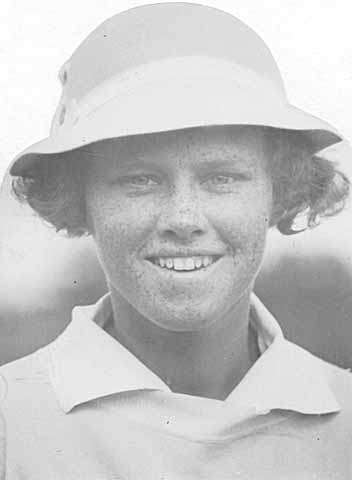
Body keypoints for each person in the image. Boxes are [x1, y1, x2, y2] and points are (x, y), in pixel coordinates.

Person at [1, 2, 352, 478]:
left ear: (281, 191)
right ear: (78, 200)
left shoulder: (342, 421)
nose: (183, 219)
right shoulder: (12, 421)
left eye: (223, 177)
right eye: (139, 180)